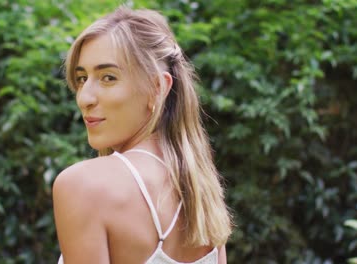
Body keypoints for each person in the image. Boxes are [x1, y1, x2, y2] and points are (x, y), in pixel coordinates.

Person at [53, 6, 232, 264]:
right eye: (81, 79)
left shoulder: (83, 186)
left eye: (108, 77)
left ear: (157, 88)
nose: (84, 98)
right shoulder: (201, 192)